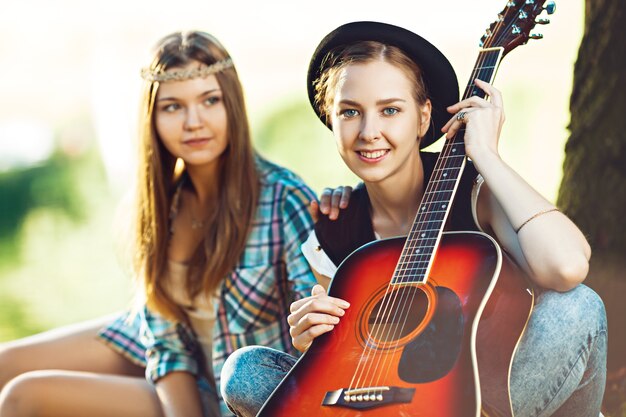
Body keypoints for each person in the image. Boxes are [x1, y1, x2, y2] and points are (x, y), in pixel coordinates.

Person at [220, 21, 608, 417]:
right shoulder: (335, 229)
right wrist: (316, 344)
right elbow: (356, 368)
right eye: (350, 112)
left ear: (424, 118)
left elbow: (566, 267)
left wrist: (487, 156)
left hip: (490, 399)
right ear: (330, 119)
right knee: (245, 370)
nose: (369, 132)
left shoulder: (476, 193)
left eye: (390, 110)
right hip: (391, 403)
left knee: (577, 307)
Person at [0, 30, 350, 417]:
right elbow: (166, 344)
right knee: (5, 367)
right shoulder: (158, 207)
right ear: (153, 117)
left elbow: (318, 334)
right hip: (178, 358)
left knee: (23, 397)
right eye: (173, 107)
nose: (193, 122)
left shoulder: (283, 198)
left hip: (232, 385)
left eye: (210, 101)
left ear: (231, 104)